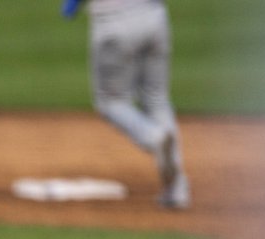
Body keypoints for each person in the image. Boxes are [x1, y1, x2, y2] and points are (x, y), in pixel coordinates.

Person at [63, 0, 190, 209]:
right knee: (156, 99)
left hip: (114, 23)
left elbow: (70, 7)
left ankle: (153, 136)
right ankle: (176, 190)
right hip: (154, 16)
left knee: (110, 102)